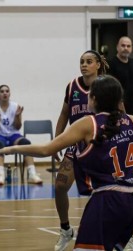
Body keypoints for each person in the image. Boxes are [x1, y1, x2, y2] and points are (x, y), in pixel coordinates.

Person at [0, 75, 133, 251]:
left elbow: (46, 149)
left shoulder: (88, 124)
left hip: (109, 200)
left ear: (94, 99)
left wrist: (11, 149)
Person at [53, 50, 107, 251]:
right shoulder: (72, 86)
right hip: (76, 145)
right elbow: (64, 114)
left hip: (100, 145)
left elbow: (121, 114)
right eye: (82, 61)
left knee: (108, 192)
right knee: (60, 186)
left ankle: (125, 236)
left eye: (89, 61)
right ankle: (66, 229)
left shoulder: (107, 86)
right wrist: (57, 141)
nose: (84, 65)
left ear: (98, 65)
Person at [0, 84, 43, 186]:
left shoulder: (15, 106)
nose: (5, 93)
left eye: (7, 91)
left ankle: (32, 174)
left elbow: (18, 127)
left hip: (13, 134)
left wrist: (17, 116)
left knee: (26, 143)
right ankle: (0, 175)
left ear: (10, 94)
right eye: (2, 91)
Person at [108, 36, 133, 116]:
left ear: (131, 48)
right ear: (117, 47)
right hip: (116, 108)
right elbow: (108, 88)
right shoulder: (111, 63)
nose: (126, 48)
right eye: (123, 45)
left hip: (131, 107)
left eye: (128, 46)